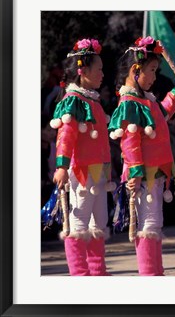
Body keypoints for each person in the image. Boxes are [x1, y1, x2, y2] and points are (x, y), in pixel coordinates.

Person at [108, 36, 175, 276]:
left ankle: (155, 273)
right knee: (148, 224)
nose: (154, 77)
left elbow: (162, 113)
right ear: (136, 71)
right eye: (152, 71)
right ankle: (150, 274)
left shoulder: (146, 100)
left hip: (153, 172)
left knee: (153, 224)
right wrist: (134, 171)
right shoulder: (130, 102)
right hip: (142, 175)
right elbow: (130, 141)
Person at [50, 38, 115, 276]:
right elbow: (65, 136)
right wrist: (61, 166)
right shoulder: (73, 102)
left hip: (97, 171)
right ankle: (79, 274)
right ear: (83, 71)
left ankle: (97, 272)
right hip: (80, 171)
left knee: (98, 223)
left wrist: (108, 169)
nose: (102, 74)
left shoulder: (92, 100)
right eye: (98, 69)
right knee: (78, 223)